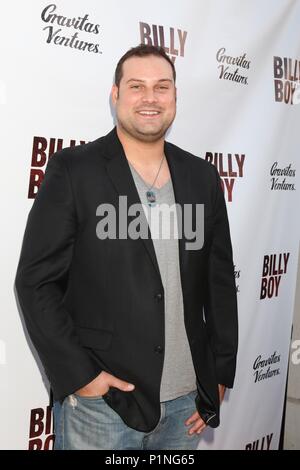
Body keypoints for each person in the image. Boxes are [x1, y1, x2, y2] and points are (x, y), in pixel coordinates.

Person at [15, 44, 238, 450]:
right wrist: (81, 376)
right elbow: (35, 283)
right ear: (115, 94)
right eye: (136, 86)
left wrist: (221, 372)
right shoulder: (74, 170)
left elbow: (219, 282)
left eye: (162, 87)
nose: (150, 98)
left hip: (186, 402)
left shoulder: (202, 177)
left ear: (175, 97)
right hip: (104, 405)